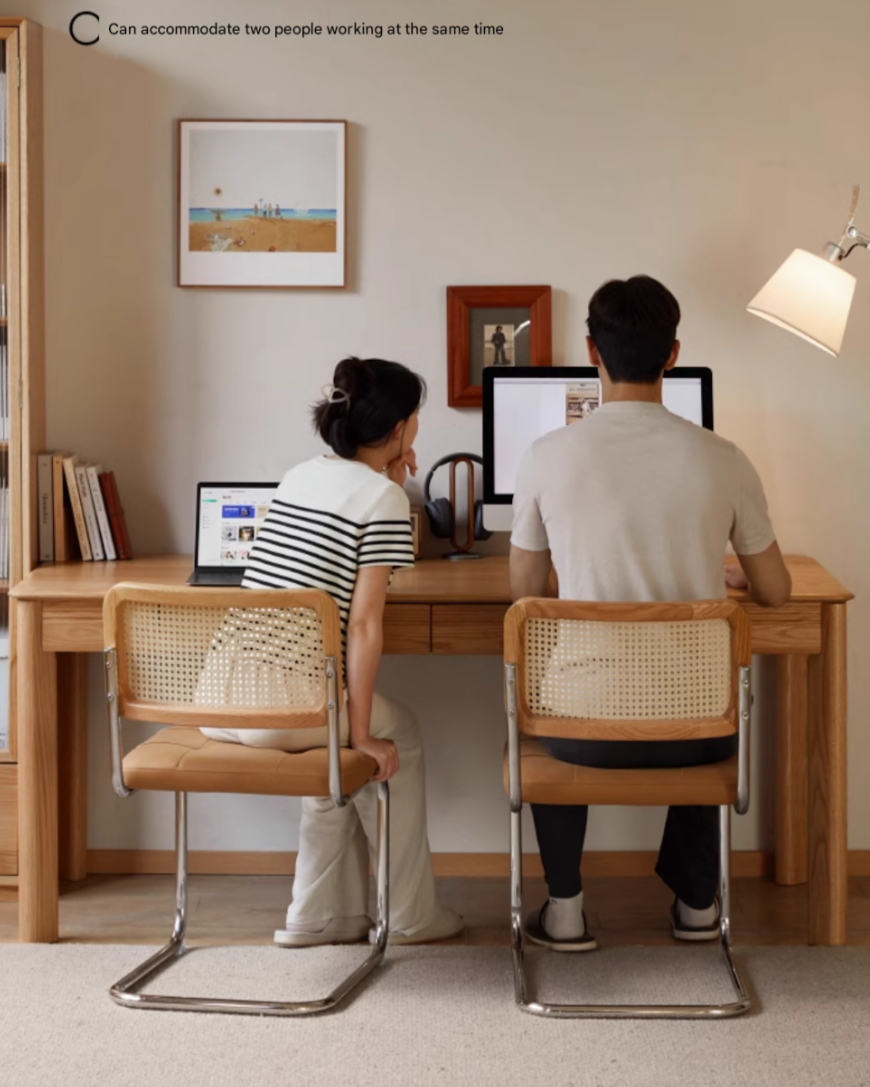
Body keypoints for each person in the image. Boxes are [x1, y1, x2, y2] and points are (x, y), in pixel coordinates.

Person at [510, 275, 791, 952]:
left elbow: (523, 595)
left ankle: (567, 907)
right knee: (700, 685)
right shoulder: (726, 459)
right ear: (673, 354)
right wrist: (708, 570)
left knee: (558, 689)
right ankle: (698, 905)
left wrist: (582, 561)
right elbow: (777, 591)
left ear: (590, 352)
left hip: (578, 727)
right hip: (701, 727)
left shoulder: (547, 455)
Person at [203, 357, 463, 948]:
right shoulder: (382, 500)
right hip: (286, 714)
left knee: (334, 731)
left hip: (224, 704)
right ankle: (409, 915)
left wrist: (388, 482)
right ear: (399, 428)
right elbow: (366, 626)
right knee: (391, 732)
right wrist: (365, 734)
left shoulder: (298, 476)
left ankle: (320, 913)